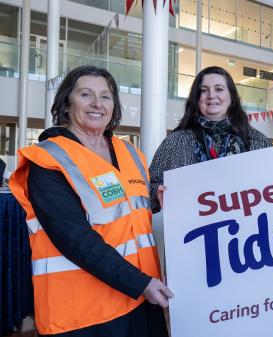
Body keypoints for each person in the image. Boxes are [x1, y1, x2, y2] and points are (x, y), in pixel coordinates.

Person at [9, 65, 172, 336]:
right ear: (66, 103)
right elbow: (75, 239)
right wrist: (140, 283)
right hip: (85, 313)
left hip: (142, 301)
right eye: (86, 94)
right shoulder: (48, 160)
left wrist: (161, 200)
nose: (97, 103)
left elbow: (132, 214)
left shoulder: (130, 152)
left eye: (106, 96)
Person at [149, 66, 272, 212]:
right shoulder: (174, 142)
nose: (211, 95)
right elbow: (148, 188)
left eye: (219, 89)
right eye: (203, 90)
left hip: (249, 230)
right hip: (192, 229)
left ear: (232, 98)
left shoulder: (258, 142)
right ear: (197, 98)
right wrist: (158, 193)